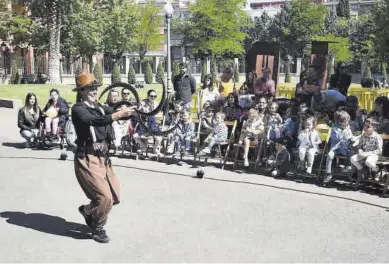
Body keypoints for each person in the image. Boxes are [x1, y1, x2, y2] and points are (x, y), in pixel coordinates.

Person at [71, 72, 136, 243]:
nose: (94, 90)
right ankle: (98, 228)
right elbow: (96, 121)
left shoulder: (100, 107)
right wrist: (118, 115)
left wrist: (134, 111)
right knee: (104, 197)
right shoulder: (78, 109)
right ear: (82, 91)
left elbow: (114, 112)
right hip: (87, 157)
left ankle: (87, 211)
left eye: (95, 87)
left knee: (113, 196)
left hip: (103, 157)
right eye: (90, 88)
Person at [323, 110, 354, 185]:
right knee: (330, 155)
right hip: (336, 148)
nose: (347, 123)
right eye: (346, 121)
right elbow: (338, 137)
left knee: (353, 156)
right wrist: (345, 134)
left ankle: (353, 173)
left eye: (347, 121)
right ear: (340, 122)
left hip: (346, 148)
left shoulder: (348, 127)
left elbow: (350, 136)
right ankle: (328, 172)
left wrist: (352, 138)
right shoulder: (334, 128)